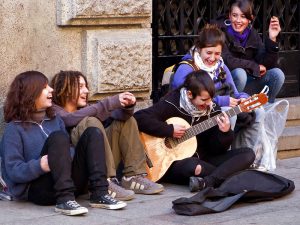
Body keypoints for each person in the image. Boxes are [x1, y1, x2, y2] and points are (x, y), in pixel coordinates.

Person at [0, 71, 126, 216]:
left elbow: (70, 149)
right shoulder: (14, 129)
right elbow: (13, 171)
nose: (51, 90)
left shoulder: (54, 120)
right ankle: (64, 201)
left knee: (93, 132)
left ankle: (100, 193)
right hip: (39, 191)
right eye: (45, 87)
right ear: (31, 93)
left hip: (69, 183)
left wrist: (66, 158)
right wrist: (40, 165)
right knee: (58, 137)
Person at [50, 70, 164, 201]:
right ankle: (104, 183)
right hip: (80, 172)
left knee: (127, 121)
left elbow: (118, 116)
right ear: (65, 88)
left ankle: (133, 177)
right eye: (80, 87)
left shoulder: (85, 109)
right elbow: (69, 119)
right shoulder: (53, 110)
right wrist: (108, 103)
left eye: (86, 86)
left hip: (100, 162)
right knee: (90, 121)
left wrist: (127, 106)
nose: (86, 91)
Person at [134, 71, 255, 191]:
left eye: (211, 99)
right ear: (190, 94)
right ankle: (224, 178)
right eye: (204, 100)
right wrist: (169, 130)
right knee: (194, 166)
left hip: (204, 159)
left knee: (248, 154)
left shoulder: (213, 110)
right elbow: (139, 118)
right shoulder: (173, 103)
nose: (209, 104)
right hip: (173, 163)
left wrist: (225, 133)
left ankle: (207, 181)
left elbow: (217, 149)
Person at [171, 24, 264, 153]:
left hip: (215, 108)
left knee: (258, 111)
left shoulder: (220, 66)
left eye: (217, 53)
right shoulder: (187, 68)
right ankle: (226, 156)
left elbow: (235, 93)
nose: (213, 58)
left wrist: (243, 99)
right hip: (193, 115)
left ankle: (249, 154)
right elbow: (187, 98)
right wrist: (221, 101)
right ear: (199, 48)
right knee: (225, 113)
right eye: (208, 53)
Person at [214, 0, 284, 104]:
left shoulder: (253, 34)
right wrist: (254, 67)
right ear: (229, 16)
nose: (238, 20)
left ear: (250, 19)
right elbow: (227, 61)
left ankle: (264, 110)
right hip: (229, 84)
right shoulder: (220, 33)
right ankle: (236, 111)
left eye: (243, 16)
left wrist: (272, 39)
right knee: (240, 73)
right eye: (234, 15)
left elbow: (266, 64)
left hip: (249, 83)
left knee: (277, 74)